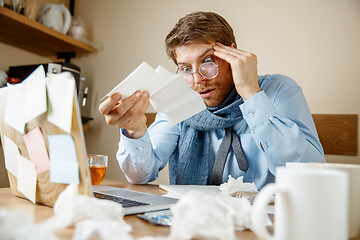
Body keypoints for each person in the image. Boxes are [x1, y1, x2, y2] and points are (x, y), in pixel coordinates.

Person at [99, 11, 325, 189]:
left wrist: (251, 94)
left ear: (232, 55)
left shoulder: (279, 90)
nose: (198, 80)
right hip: (198, 222)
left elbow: (309, 171)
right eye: (186, 68)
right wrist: (135, 130)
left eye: (208, 61)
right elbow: (140, 175)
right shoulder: (181, 101)